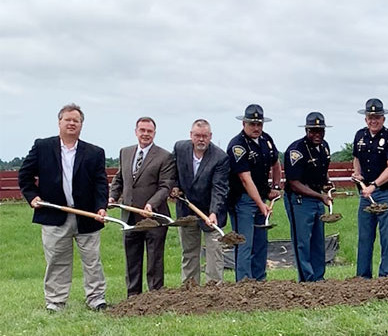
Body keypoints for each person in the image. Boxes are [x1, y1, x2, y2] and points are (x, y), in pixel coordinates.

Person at [18, 103, 108, 312]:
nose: (71, 123)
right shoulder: (43, 147)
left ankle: (96, 299)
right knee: (57, 260)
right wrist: (32, 197)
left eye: (76, 120)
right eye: (67, 119)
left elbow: (100, 184)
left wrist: (101, 207)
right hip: (53, 215)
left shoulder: (94, 152)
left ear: (81, 125)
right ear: (59, 122)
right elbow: (24, 176)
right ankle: (56, 301)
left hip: (87, 216)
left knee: (92, 261)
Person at [109, 117, 175, 297]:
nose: (145, 134)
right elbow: (120, 179)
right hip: (129, 217)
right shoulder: (125, 152)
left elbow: (165, 186)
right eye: (142, 130)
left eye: (149, 131)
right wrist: (113, 196)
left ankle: (155, 297)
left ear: (154, 133)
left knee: (154, 260)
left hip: (154, 218)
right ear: (136, 131)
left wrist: (151, 204)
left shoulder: (165, 156)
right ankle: (133, 296)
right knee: (132, 259)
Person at [226, 104, 282, 281]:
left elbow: (276, 163)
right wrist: (261, 204)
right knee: (244, 242)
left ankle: (260, 281)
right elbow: (245, 179)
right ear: (244, 123)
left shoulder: (266, 140)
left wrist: (276, 186)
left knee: (260, 242)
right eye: (252, 124)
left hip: (261, 197)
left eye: (259, 124)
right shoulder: (237, 145)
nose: (256, 128)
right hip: (242, 199)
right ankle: (244, 283)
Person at [172, 119, 230, 284]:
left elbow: (219, 188)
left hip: (211, 212)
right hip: (186, 210)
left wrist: (213, 212)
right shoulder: (180, 148)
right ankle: (190, 290)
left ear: (210, 136)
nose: (201, 139)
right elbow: (173, 172)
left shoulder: (220, 158)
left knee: (214, 252)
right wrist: (175, 187)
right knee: (189, 252)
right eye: (197, 135)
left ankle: (213, 290)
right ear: (191, 135)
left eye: (204, 136)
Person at [352, 98, 388, 278]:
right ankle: (362, 276)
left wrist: (374, 185)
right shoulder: (359, 135)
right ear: (365, 118)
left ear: (383, 118)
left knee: (386, 237)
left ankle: (386, 275)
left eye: (377, 117)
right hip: (365, 195)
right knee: (365, 236)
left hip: (386, 193)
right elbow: (356, 158)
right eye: (370, 117)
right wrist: (357, 174)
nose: (374, 120)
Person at [283, 112, 333, 282]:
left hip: (317, 198)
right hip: (300, 200)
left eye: (320, 130)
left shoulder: (324, 147)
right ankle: (306, 279)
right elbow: (294, 183)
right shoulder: (296, 150)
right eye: (313, 130)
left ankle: (319, 277)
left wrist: (326, 184)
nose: (317, 134)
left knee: (318, 242)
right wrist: (320, 196)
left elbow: (322, 172)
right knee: (302, 242)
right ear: (306, 130)